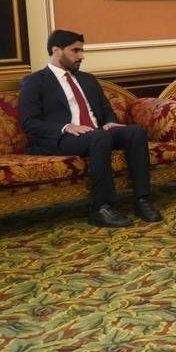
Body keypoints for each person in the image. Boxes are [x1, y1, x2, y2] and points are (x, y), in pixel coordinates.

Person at [18, 30, 158, 228]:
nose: (81, 56)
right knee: (99, 137)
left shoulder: (87, 79)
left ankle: (142, 200)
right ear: (56, 51)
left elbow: (105, 109)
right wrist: (66, 127)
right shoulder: (35, 82)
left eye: (82, 51)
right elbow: (29, 122)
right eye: (75, 51)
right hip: (62, 138)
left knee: (134, 132)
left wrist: (110, 121)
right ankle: (101, 208)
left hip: (96, 133)